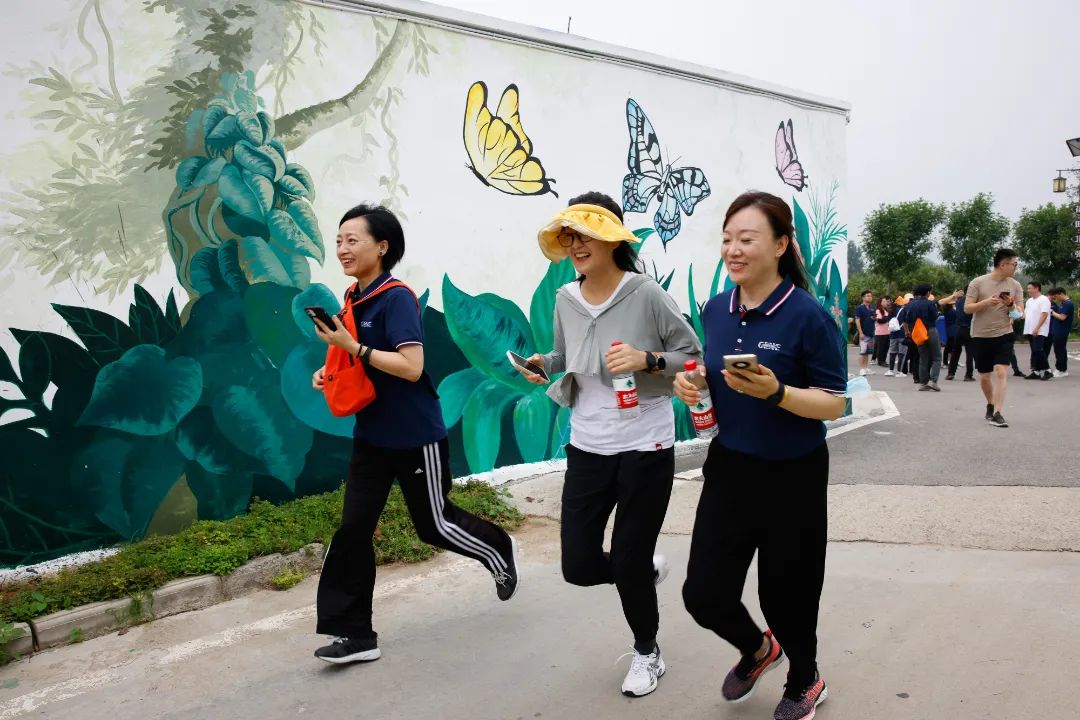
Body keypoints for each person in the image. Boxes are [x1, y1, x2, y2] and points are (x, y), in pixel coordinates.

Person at [310, 204, 520, 664]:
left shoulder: (396, 298)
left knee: (434, 525)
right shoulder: (353, 297)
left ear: (382, 247)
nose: (342, 248)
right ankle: (356, 635)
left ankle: (499, 549)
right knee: (353, 529)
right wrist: (330, 370)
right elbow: (357, 361)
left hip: (414, 436)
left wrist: (354, 347)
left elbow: (411, 367)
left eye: (353, 240)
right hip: (371, 435)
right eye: (340, 239)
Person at [518, 191, 702, 698]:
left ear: (612, 238)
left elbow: (691, 355)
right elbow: (564, 353)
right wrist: (544, 364)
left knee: (625, 556)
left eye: (587, 234)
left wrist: (647, 360)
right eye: (569, 235)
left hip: (645, 443)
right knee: (577, 566)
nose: (576, 245)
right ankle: (637, 572)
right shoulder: (565, 299)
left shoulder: (645, 293)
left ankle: (648, 652)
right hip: (588, 445)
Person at [675, 192, 846, 720]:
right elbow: (714, 375)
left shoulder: (807, 315)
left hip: (792, 473)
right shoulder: (715, 309)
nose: (733, 249)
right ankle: (757, 649)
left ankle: (805, 677)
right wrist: (693, 385)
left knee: (787, 596)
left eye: (746, 239)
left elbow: (834, 403)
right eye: (727, 239)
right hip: (730, 466)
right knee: (703, 594)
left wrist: (777, 393)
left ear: (780, 245)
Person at [965, 248, 1024, 428]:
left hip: (1004, 334)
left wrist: (1011, 305)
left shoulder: (1015, 285)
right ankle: (990, 404)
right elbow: (967, 308)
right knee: (984, 377)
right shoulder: (978, 283)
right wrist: (986, 302)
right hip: (980, 335)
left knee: (1001, 371)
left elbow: (1019, 314)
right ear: (1002, 264)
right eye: (1014, 264)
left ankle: (998, 412)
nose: (1016, 267)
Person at [905, 284, 942, 392]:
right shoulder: (930, 304)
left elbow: (906, 320)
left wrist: (908, 331)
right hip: (930, 330)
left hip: (917, 332)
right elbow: (935, 317)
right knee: (936, 357)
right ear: (928, 293)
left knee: (923, 357)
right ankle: (933, 381)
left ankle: (923, 383)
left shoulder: (910, 305)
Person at [1022, 282, 1052, 381]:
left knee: (1037, 350)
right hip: (1030, 329)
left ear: (1037, 288)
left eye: (1030, 288)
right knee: (1034, 351)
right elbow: (1025, 315)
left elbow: (1044, 314)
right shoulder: (1029, 301)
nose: (1028, 290)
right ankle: (1036, 372)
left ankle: (1048, 371)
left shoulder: (1044, 300)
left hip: (1039, 330)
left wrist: (1037, 328)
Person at [947, 288, 976, 381]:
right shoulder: (973, 302)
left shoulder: (959, 301)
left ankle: (951, 373)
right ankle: (968, 375)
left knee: (955, 352)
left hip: (958, 329)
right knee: (970, 352)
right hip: (969, 329)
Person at [1048, 287, 1074, 377]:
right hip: (1057, 330)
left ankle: (1061, 369)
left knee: (1060, 350)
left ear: (1061, 294)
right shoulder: (1063, 303)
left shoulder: (1068, 304)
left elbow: (1062, 317)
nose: (1056, 299)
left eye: (1056, 296)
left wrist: (1052, 312)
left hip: (1062, 331)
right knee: (1058, 350)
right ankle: (1062, 369)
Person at [854, 290, 876, 376]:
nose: (869, 297)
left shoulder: (873, 307)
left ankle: (866, 368)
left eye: (870, 296)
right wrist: (861, 332)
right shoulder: (860, 308)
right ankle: (862, 369)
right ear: (863, 297)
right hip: (864, 333)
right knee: (863, 351)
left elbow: (873, 318)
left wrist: (874, 318)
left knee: (868, 351)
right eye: (867, 296)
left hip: (871, 332)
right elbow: (857, 320)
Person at [886, 295, 908, 377]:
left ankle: (890, 370)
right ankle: (899, 371)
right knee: (901, 353)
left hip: (893, 334)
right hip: (902, 333)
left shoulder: (891, 311)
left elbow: (888, 323)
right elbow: (906, 321)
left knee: (892, 352)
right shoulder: (904, 310)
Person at [873, 297, 892, 368]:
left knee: (886, 347)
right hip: (880, 332)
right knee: (881, 348)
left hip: (887, 332)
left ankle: (884, 360)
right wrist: (888, 318)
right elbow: (879, 320)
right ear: (880, 303)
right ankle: (880, 361)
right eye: (884, 301)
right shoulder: (878, 310)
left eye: (886, 301)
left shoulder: (886, 310)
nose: (886, 303)